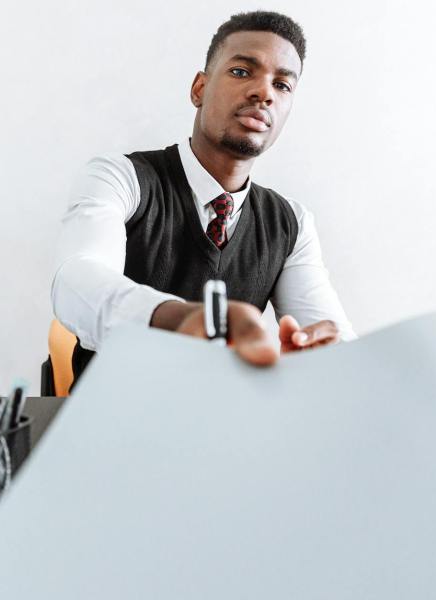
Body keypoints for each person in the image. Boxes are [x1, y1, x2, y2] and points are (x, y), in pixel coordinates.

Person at [52, 10, 356, 384]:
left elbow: (333, 339)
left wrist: (314, 362)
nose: (263, 93)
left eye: (282, 85)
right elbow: (76, 281)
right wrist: (180, 320)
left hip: (226, 425)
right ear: (199, 89)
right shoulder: (120, 177)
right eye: (242, 71)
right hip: (114, 416)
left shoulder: (292, 223)